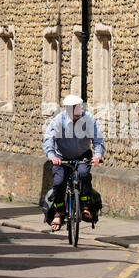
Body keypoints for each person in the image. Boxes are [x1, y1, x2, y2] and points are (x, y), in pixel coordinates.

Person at [43, 94, 105, 231]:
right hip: (61, 157)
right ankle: (59, 212)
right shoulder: (58, 120)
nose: (77, 116)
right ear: (67, 110)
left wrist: (98, 155)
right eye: (73, 112)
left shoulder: (88, 119)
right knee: (59, 182)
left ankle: (85, 206)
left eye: (78, 111)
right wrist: (52, 155)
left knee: (83, 174)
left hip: (82, 155)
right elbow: (49, 139)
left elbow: (98, 139)